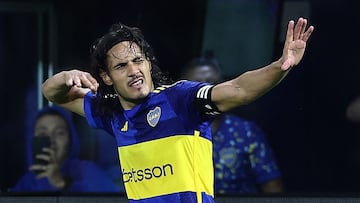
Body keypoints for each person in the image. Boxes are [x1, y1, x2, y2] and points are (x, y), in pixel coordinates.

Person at [41, 17, 314, 202]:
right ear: (107, 77)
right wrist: (65, 77)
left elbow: (238, 90)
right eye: (122, 66)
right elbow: (53, 94)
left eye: (138, 61)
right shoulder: (112, 115)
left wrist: (280, 66)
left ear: (149, 63)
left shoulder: (179, 99)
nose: (134, 71)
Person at [181, 53, 284, 194]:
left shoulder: (246, 132)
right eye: (196, 85)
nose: (205, 91)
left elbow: (272, 186)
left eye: (211, 83)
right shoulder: (171, 131)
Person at [11, 105, 120, 193]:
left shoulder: (86, 172)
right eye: (43, 133)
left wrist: (61, 183)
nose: (51, 140)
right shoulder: (26, 182)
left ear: (71, 140)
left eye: (59, 133)